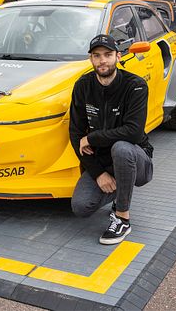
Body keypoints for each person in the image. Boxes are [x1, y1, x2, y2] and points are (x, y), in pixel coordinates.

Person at [69, 34, 154, 244]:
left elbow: (133, 132)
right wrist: (98, 174)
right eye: (97, 56)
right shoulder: (83, 86)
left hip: (136, 156)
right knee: (81, 207)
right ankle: (119, 188)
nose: (102, 60)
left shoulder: (135, 86)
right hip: (103, 162)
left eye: (108, 55)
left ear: (117, 56)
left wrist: (93, 137)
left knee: (122, 148)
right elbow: (75, 135)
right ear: (91, 59)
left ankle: (122, 217)